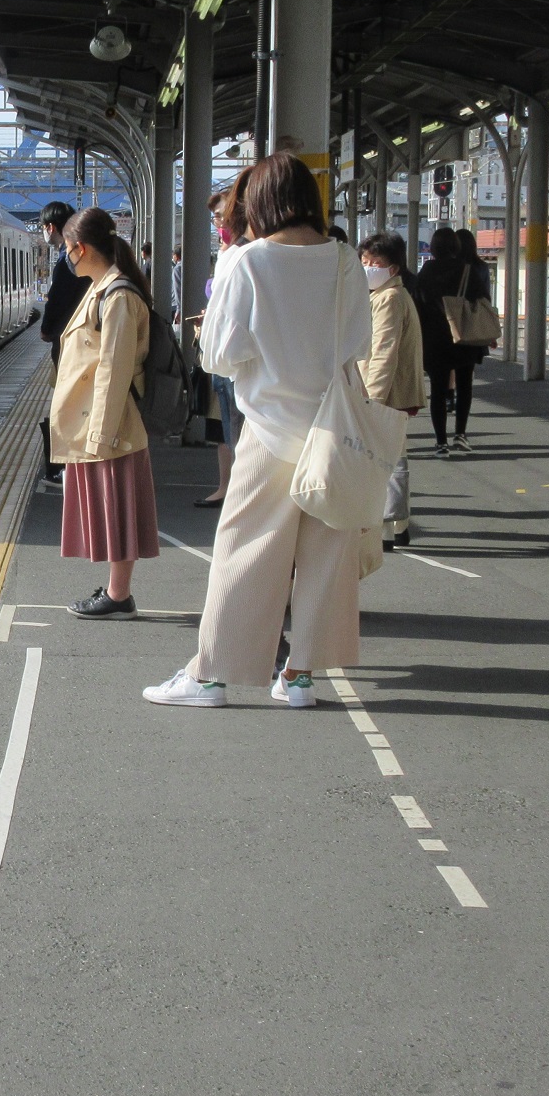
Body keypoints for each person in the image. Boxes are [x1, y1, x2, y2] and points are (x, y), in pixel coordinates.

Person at [144, 152, 371, 710]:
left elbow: (220, 355)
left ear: (262, 203)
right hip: (333, 434)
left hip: (268, 432)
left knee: (242, 552)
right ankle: (299, 679)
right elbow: (357, 343)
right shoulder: (345, 260)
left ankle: (211, 677)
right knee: (324, 558)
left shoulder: (247, 261)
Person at [49, 207, 160, 618]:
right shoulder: (103, 289)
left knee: (118, 509)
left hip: (112, 424)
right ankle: (116, 592)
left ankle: (119, 595)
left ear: (80, 248)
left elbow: (114, 369)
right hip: (98, 421)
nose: (65, 256)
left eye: (66, 249)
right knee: (112, 508)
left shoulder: (118, 296)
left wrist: (102, 433)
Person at [358, 233, 426, 548]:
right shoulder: (389, 294)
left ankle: (386, 527)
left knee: (383, 459)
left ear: (393, 268)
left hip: (386, 391)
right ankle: (399, 524)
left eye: (375, 263)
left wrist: (372, 400)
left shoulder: (388, 299)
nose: (368, 268)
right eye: (364, 261)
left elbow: (384, 352)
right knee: (394, 454)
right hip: (394, 389)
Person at [191, 174, 252, 510]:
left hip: (234, 362)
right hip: (221, 361)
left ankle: (240, 499)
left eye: (220, 216)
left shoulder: (245, 254)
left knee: (238, 435)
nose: (217, 224)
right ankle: (232, 492)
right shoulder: (229, 252)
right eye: (215, 217)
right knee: (228, 432)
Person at [415, 226, 490, 456]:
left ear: (433, 248)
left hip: (435, 339)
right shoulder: (467, 270)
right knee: (465, 386)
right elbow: (483, 299)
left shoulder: (426, 272)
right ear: (455, 247)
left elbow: (417, 303)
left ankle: (441, 443)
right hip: (463, 336)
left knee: (438, 390)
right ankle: (460, 434)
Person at [37, 200, 86, 484]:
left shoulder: (66, 258)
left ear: (50, 227)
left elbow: (58, 298)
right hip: (74, 340)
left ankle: (63, 467)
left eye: (43, 228)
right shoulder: (75, 255)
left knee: (66, 403)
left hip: (69, 342)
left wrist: (47, 328)